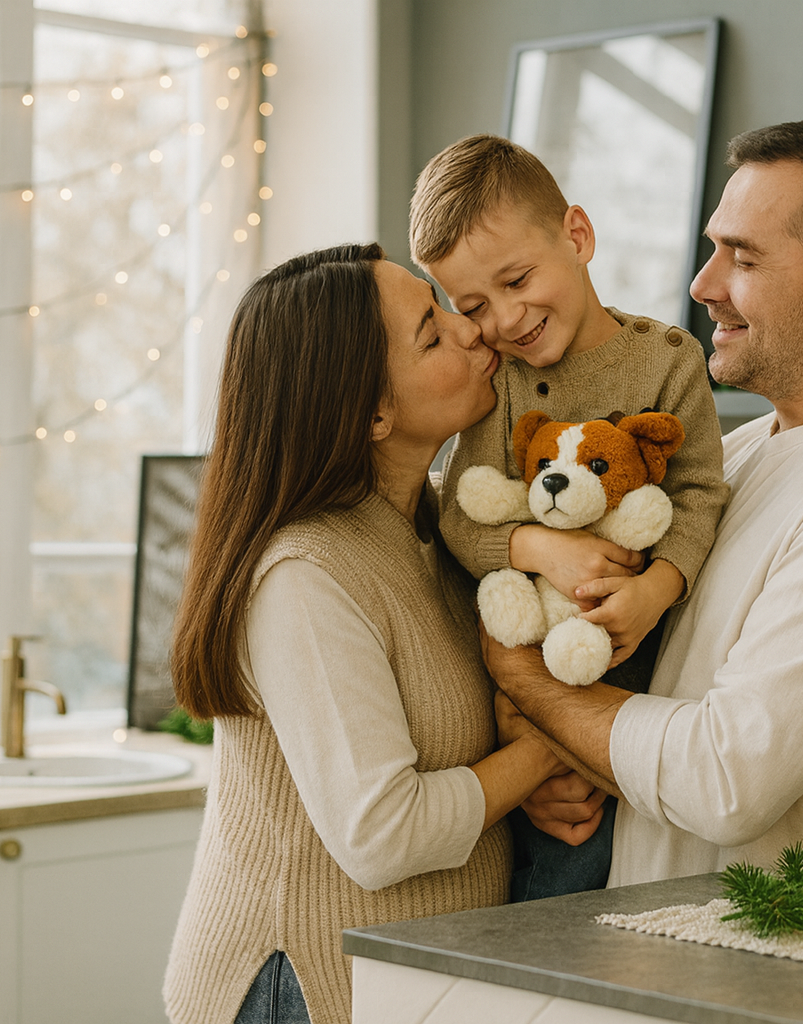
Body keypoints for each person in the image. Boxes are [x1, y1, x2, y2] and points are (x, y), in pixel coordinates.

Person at [483, 119, 803, 885]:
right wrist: (556, 761)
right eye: (713, 245)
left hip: (771, 971)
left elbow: (726, 781)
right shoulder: (744, 450)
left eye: (743, 257)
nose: (703, 284)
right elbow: (663, 709)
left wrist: (527, 681)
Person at [162, 243, 562, 1024]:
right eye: (432, 332)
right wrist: (553, 748)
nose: (473, 330)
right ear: (373, 411)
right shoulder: (304, 575)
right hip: (305, 990)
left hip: (411, 985)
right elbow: (383, 833)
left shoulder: (440, 525)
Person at [408, 134, 730, 899]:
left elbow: (699, 495)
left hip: (642, 674)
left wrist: (655, 591)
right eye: (474, 306)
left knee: (633, 857)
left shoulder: (669, 361)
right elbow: (461, 511)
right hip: (524, 672)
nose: (508, 319)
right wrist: (535, 548)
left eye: (518, 280)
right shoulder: (502, 385)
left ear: (577, 237)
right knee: (556, 855)